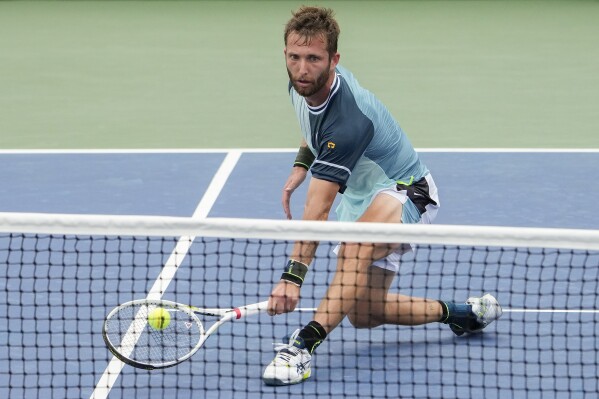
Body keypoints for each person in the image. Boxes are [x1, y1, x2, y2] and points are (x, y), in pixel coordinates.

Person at [262, 6, 502, 386]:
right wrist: (302, 162)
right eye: (294, 57)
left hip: (405, 190)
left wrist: (292, 278)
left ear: (334, 60)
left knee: (356, 249)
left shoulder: (348, 121)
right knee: (364, 312)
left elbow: (318, 210)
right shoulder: (300, 84)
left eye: (313, 58)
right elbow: (312, 126)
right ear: (285, 56)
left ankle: (303, 346)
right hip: (363, 196)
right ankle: (460, 314)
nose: (302, 68)